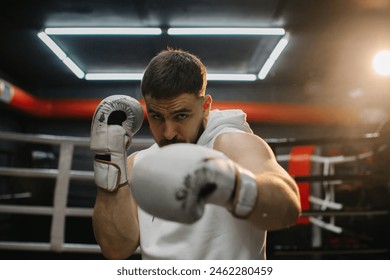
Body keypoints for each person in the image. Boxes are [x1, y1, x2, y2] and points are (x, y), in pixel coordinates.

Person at [90, 48, 301, 260]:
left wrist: (231, 184)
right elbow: (115, 249)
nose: (168, 132)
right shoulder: (137, 164)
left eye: (181, 115)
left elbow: (289, 207)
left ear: (206, 106)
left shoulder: (231, 143)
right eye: (157, 116)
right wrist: (108, 160)